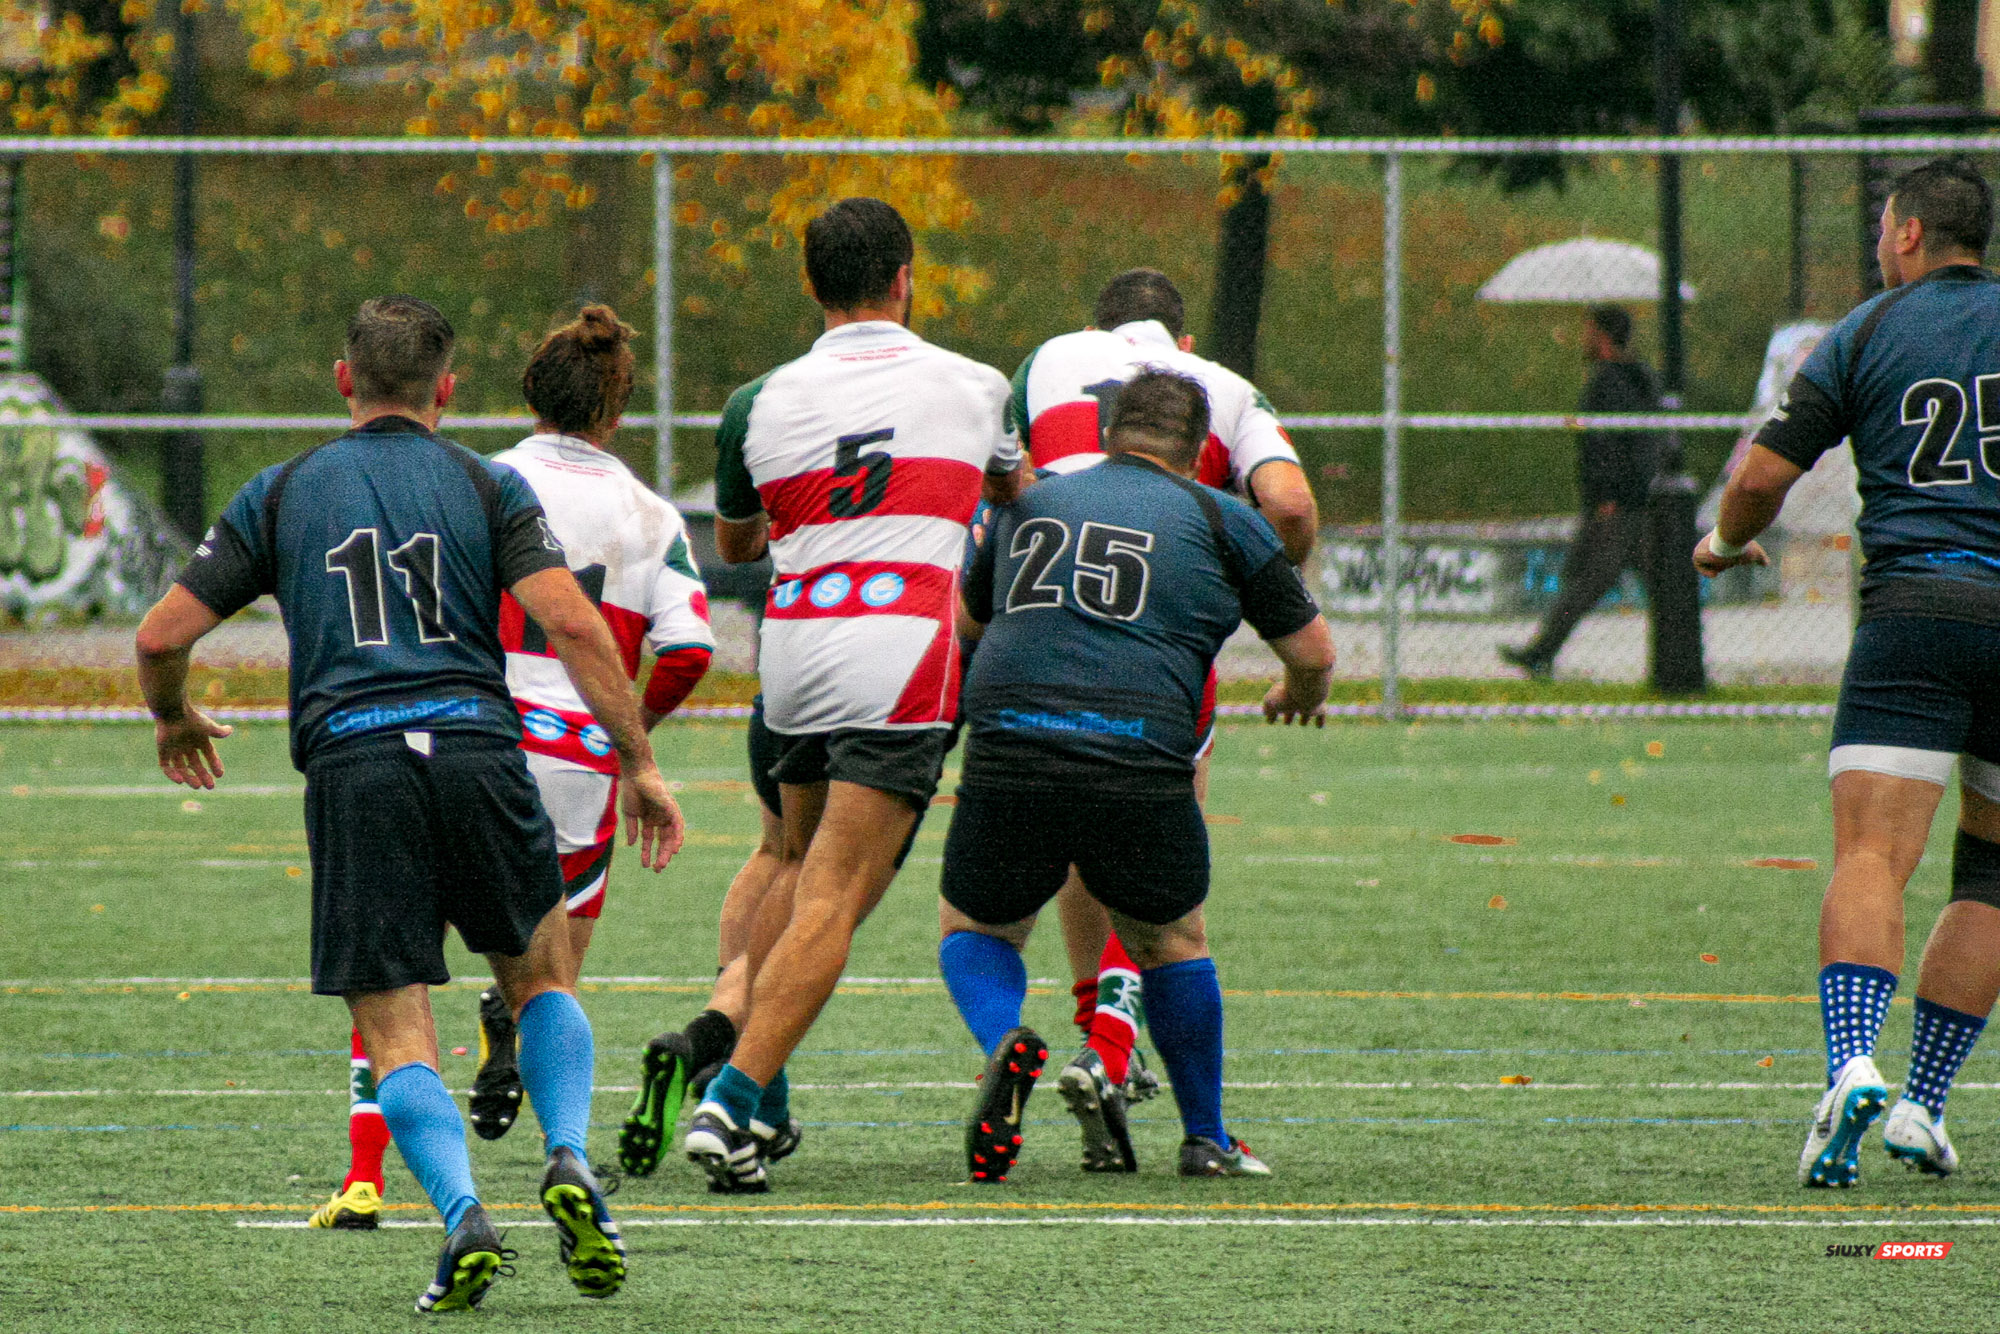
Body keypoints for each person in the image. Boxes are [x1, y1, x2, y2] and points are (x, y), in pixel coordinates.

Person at [134, 295, 684, 1312]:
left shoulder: (281, 489)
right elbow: (572, 623)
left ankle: (464, 1213)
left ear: (344, 379)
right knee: (543, 972)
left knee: (395, 1029)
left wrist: (174, 717)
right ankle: (566, 1155)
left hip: (355, 762)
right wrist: (638, 759)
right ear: (447, 388)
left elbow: (161, 635)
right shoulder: (488, 483)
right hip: (479, 747)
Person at [309, 305, 715, 1227]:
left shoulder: (476, 480)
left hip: (468, 734)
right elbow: (690, 649)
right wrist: (630, 742)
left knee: (390, 967)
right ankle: (564, 1152)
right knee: (547, 980)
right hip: (579, 758)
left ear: (526, 392)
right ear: (618, 410)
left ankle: (368, 1170)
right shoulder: (650, 514)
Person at [679, 196, 1023, 1193]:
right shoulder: (973, 384)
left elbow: (737, 544)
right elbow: (1016, 490)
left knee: (792, 862)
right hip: (898, 647)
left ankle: (765, 1097)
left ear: (809, 284)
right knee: (836, 890)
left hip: (793, 647)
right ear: (905, 278)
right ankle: (729, 1097)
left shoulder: (759, 399)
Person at [940, 368, 1334, 1182]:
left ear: (1112, 433)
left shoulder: (1029, 504)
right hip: (1137, 757)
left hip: (1010, 742)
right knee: (1170, 939)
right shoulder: (1222, 517)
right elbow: (1313, 654)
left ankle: (1002, 1040)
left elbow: (970, 621)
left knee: (977, 930)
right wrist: (1295, 696)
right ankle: (1206, 1139)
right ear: (1197, 455)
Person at [1694, 157, 2000, 1187]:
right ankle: (1921, 1102)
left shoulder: (1866, 330)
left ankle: (1847, 1064)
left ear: (1908, 234)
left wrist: (1719, 542)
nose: (1877, 241)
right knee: (1991, 872)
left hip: (1915, 607)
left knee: (1873, 852)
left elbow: (1760, 475)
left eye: (1881, 226)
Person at [1501, 304, 1663, 678]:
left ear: (1603, 337)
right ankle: (1542, 651)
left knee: (1588, 581)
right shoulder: (1642, 379)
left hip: (1618, 505)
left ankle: (1541, 652)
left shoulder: (1609, 384)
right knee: (1635, 579)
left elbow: (1605, 445)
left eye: (1589, 331)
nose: (1583, 339)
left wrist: (1606, 496)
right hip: (1638, 500)